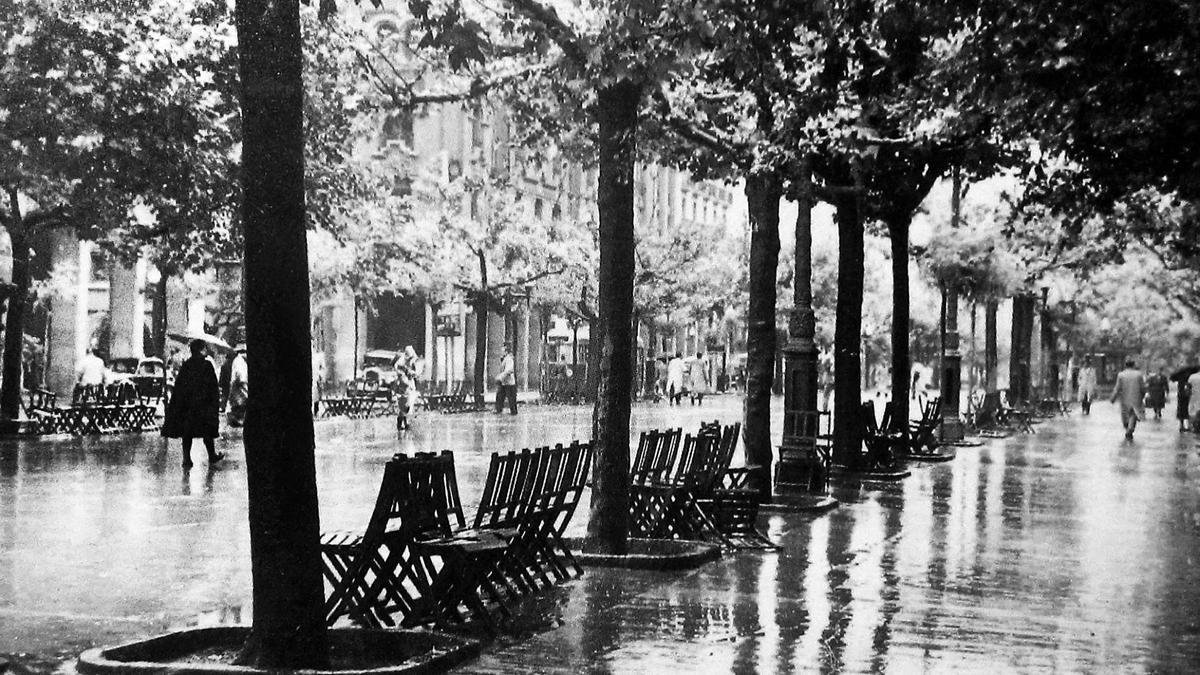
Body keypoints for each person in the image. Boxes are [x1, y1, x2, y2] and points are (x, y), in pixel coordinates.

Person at [163, 340, 224, 468]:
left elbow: (179, 387)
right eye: (204, 348)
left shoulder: (187, 365)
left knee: (188, 432)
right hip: (204, 405)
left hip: (189, 405)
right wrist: (215, 402)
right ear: (201, 349)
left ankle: (187, 458)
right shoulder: (207, 365)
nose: (206, 350)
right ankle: (211, 455)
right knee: (207, 432)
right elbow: (212, 386)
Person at [1109, 359, 1146, 440]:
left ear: (1126, 365)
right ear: (1133, 365)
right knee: (1133, 415)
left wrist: (1113, 398)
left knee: (1125, 416)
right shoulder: (1139, 375)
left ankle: (1128, 429)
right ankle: (1130, 429)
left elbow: (1117, 388)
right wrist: (1142, 396)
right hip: (1136, 398)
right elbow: (1143, 388)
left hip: (1124, 398)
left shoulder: (1121, 375)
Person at [227, 346, 248, 427]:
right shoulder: (239, 361)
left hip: (239, 391)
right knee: (239, 410)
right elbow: (240, 378)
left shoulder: (239, 361)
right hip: (239, 391)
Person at [495, 346, 517, 415]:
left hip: (509, 383)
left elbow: (509, 370)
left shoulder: (509, 359)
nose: (501, 353)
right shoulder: (504, 359)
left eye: (502, 351)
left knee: (511, 399)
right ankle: (498, 410)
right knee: (499, 397)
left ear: (506, 352)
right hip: (504, 382)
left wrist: (501, 377)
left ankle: (513, 412)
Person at [1188, 368, 1200, 433]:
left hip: (1194, 397)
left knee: (1192, 412)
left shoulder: (1192, 376)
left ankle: (1191, 426)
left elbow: (1188, 386)